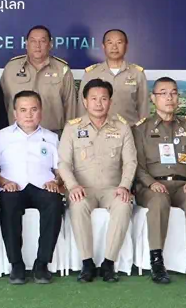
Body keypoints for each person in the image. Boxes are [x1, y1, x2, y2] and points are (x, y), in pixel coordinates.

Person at [58, 78, 137, 283]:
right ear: (85, 101)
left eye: (104, 98)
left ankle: (109, 263)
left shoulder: (122, 127)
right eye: (93, 98)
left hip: (113, 189)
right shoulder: (72, 128)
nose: (99, 103)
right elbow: (63, 163)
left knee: (123, 205)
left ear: (110, 101)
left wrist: (124, 186)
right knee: (77, 205)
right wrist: (72, 186)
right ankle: (87, 263)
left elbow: (130, 162)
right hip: (83, 188)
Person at [133, 77, 186, 285]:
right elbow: (136, 164)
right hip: (152, 186)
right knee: (158, 200)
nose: (169, 98)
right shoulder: (141, 129)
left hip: (183, 185)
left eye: (173, 93)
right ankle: (157, 262)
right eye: (163, 93)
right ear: (153, 98)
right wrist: (151, 183)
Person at [0, 90, 63, 285]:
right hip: (12, 188)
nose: (29, 115)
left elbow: (60, 170)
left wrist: (56, 182)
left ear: (41, 111)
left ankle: (42, 264)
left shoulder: (52, 138)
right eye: (23, 110)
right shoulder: (0, 137)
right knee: (8, 203)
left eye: (34, 109)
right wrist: (4, 182)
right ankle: (16, 264)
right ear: (15, 113)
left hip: (43, 187)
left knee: (54, 202)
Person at [1, 25, 77, 135]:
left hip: (53, 133)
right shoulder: (11, 68)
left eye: (42, 41)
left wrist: (70, 135)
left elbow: (70, 107)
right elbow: (2, 103)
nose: (37, 45)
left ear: (50, 44)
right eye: (33, 41)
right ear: (26, 44)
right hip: (16, 133)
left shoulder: (62, 69)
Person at [79, 29, 149, 125]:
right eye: (110, 43)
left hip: (131, 129)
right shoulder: (91, 74)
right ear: (103, 46)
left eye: (119, 42)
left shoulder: (137, 73)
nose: (114, 47)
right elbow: (82, 108)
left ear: (126, 46)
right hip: (98, 130)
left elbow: (144, 108)